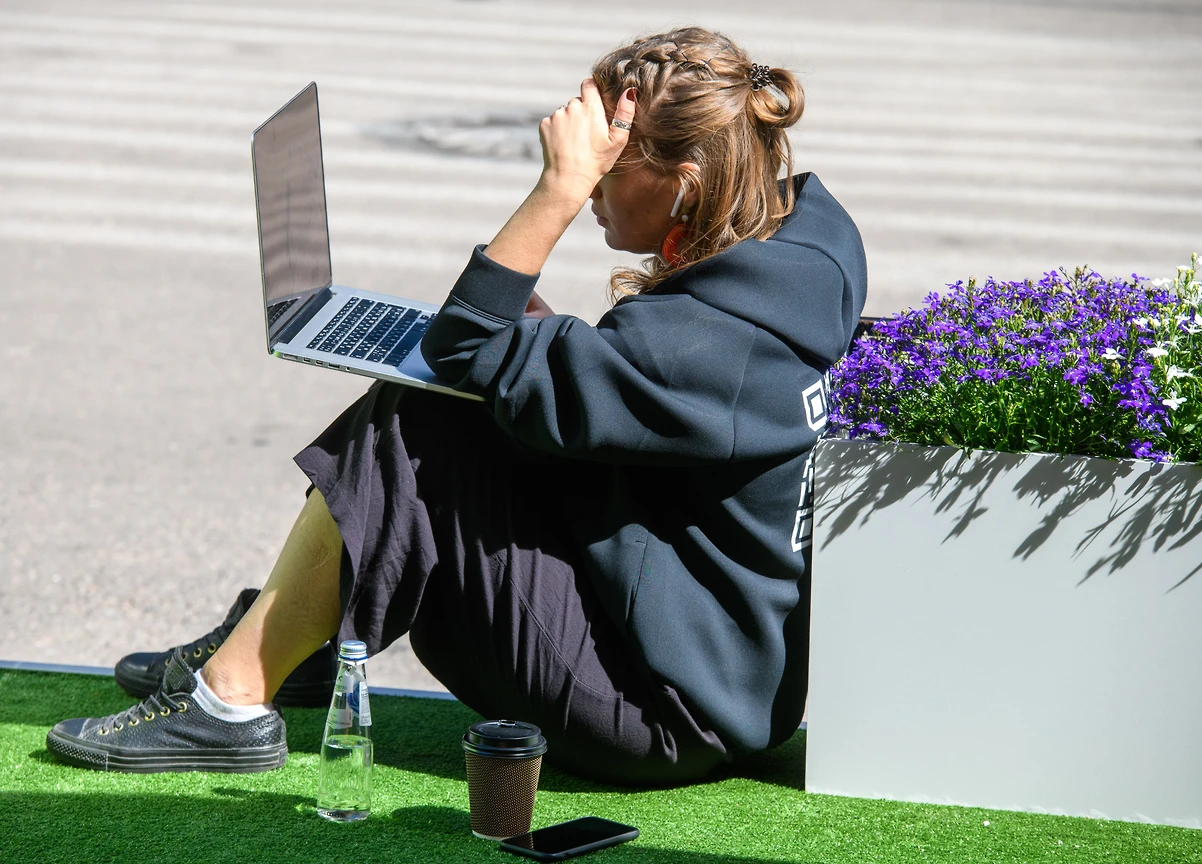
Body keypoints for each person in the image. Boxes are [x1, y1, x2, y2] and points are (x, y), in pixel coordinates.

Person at [46, 26, 867, 785]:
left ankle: (231, 700)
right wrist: (541, 339)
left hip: (661, 710)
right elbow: (633, 387)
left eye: (605, 174)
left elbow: (466, 347)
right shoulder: (804, 247)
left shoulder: (702, 348)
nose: (589, 196)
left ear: (686, 185)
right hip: (710, 655)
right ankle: (289, 639)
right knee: (451, 401)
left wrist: (554, 185)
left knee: (422, 415)